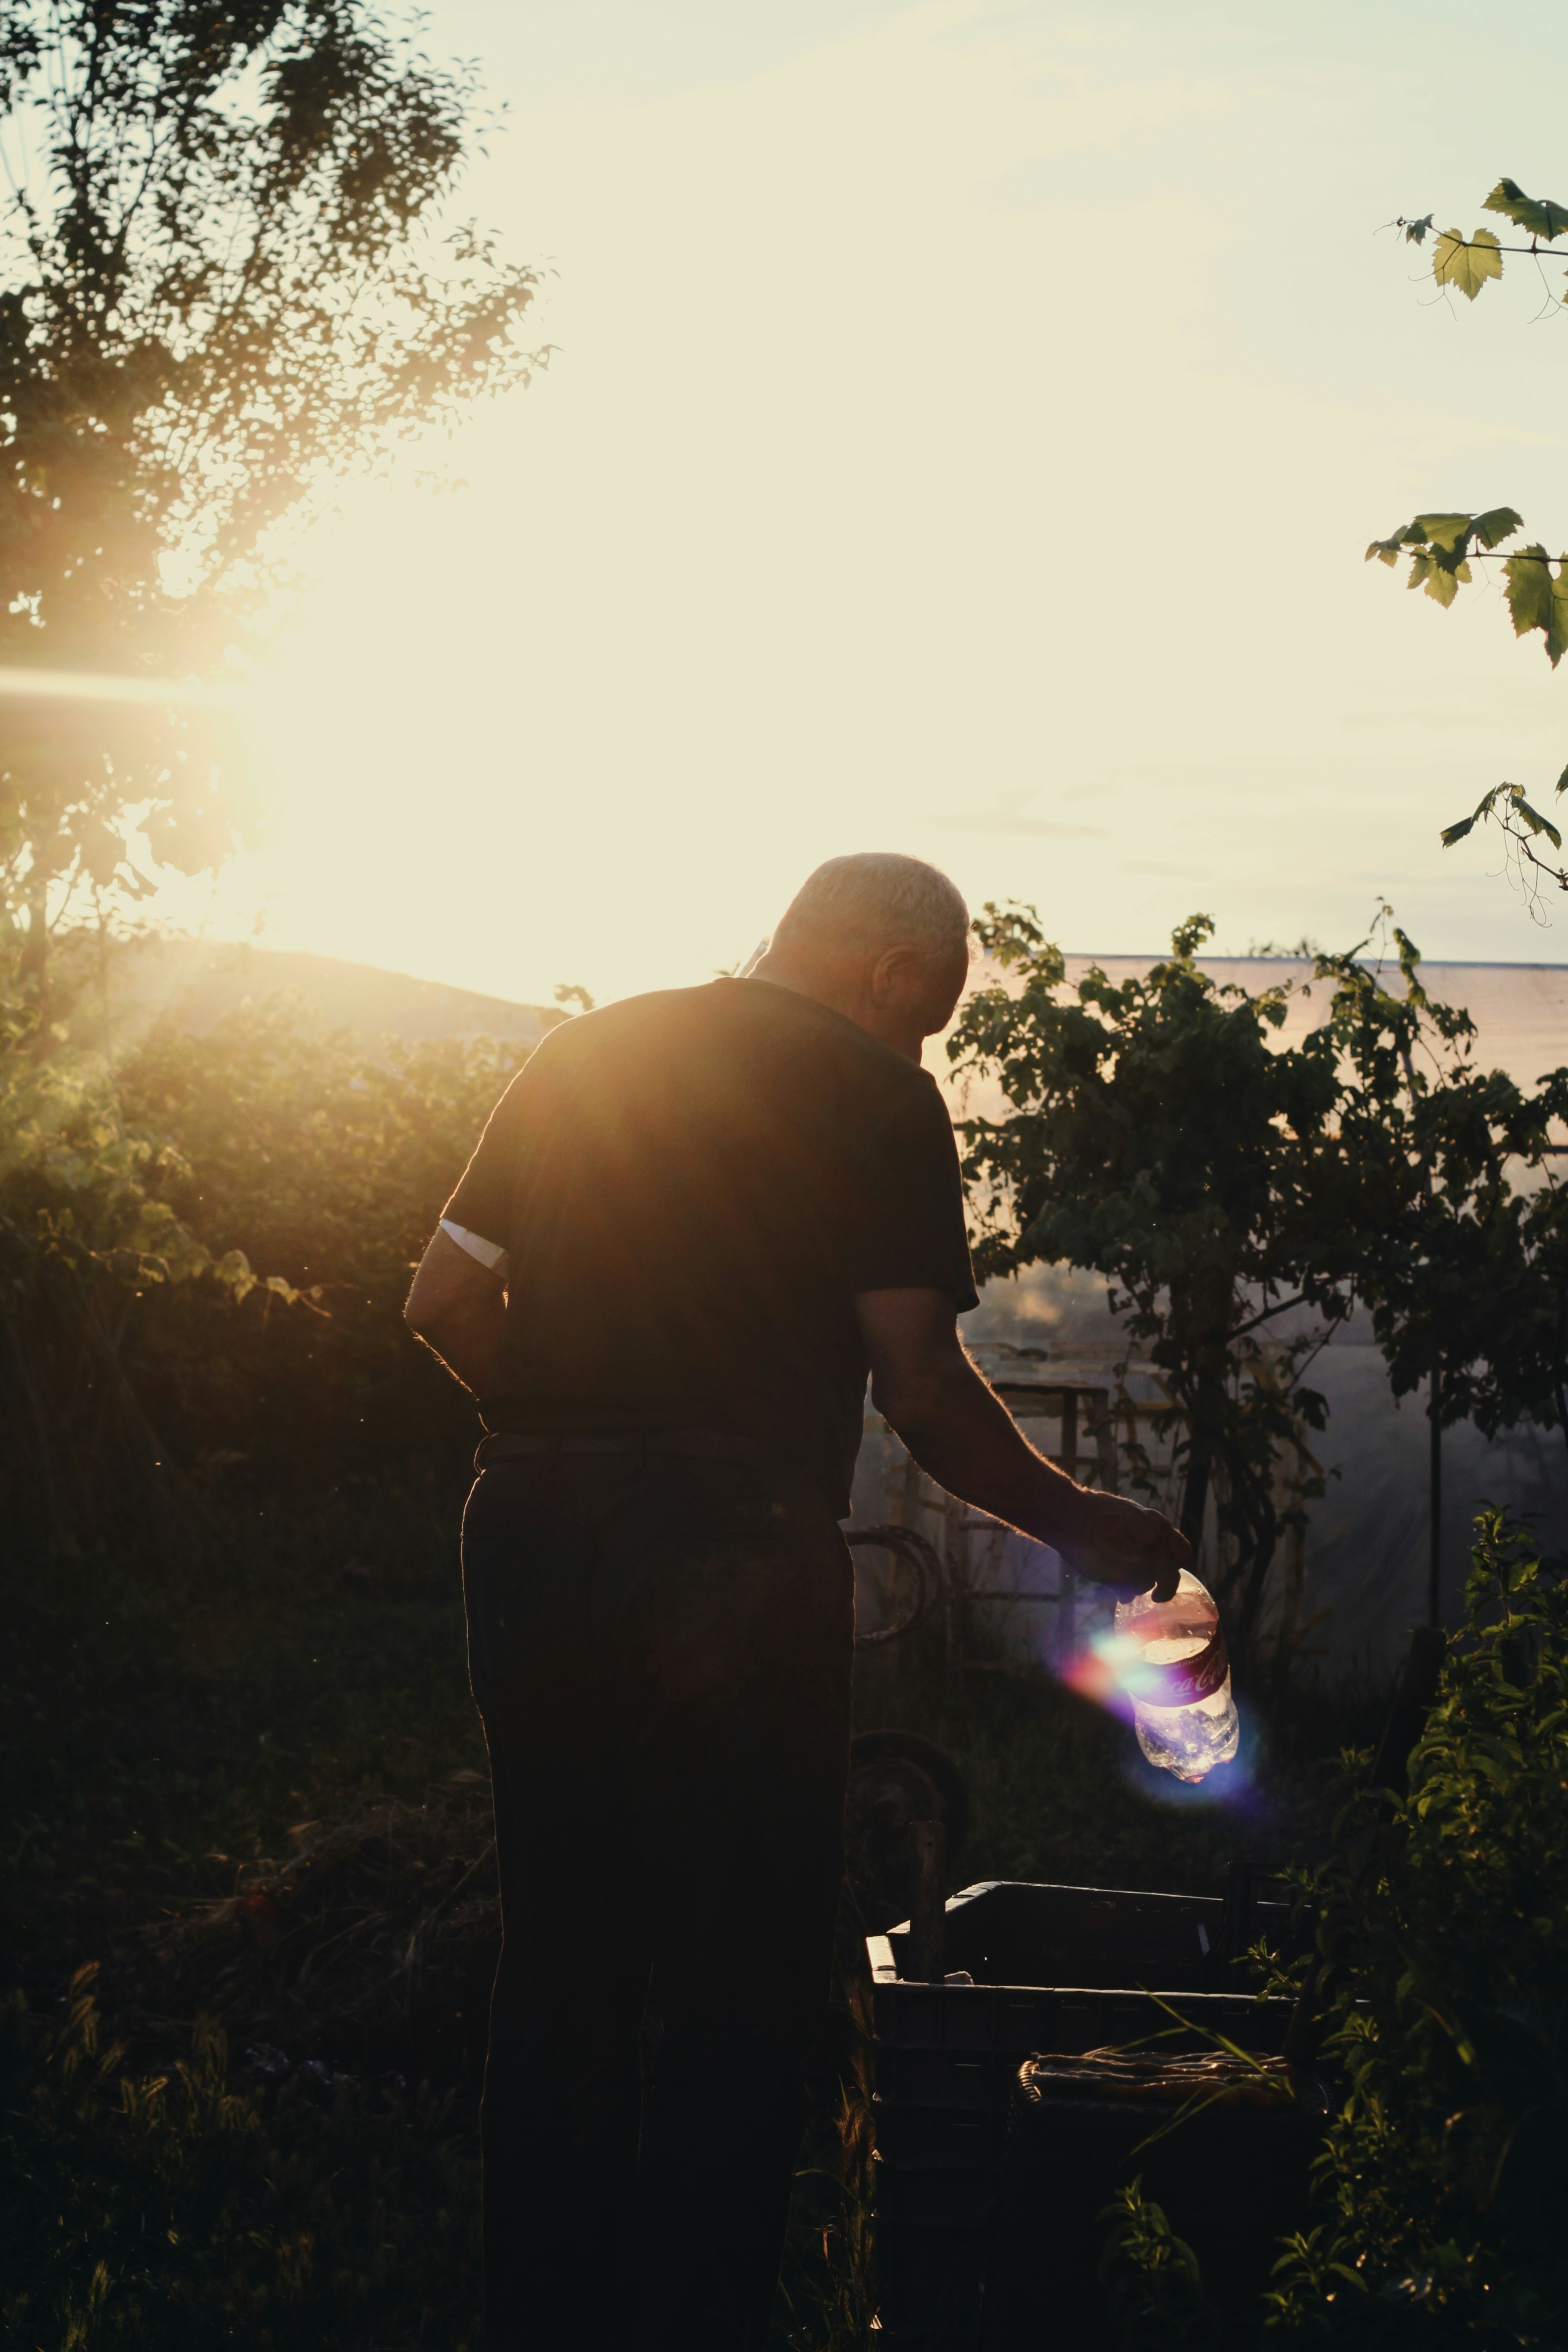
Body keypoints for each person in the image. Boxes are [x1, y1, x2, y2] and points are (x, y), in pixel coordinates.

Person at [404, 851, 1189, 2351]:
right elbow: (922, 1391)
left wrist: (583, 1425)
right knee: (731, 1978)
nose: (922, 1049)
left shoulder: (589, 1049)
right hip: (730, 1544)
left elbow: (440, 1302)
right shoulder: (876, 1093)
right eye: (931, 1018)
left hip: (524, 1523)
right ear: (893, 972)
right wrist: (1077, 1522)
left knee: (561, 1955)